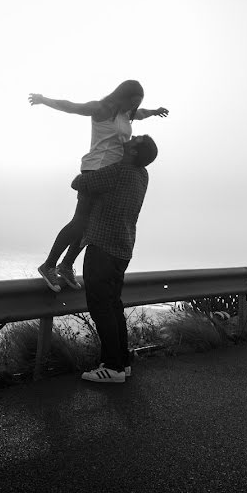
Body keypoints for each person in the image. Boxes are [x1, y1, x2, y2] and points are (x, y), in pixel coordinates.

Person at [28, 81, 167, 292]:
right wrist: (43, 100)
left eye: (137, 104)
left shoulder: (127, 113)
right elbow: (71, 106)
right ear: (122, 96)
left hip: (111, 175)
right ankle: (48, 265)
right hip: (94, 169)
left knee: (92, 227)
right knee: (80, 221)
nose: (134, 108)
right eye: (132, 102)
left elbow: (142, 113)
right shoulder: (101, 109)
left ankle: (66, 265)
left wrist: (155, 111)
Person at [73, 134, 158, 384]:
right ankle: (122, 362)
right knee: (113, 306)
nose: (130, 137)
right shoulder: (142, 175)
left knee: (101, 307)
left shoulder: (120, 171)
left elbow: (78, 183)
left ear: (133, 152)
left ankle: (113, 368)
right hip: (123, 248)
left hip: (103, 247)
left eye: (136, 139)